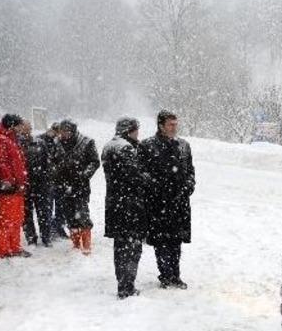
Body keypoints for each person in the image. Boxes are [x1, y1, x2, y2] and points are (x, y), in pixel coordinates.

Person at [139, 110, 195, 289]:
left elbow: (190, 171)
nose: (174, 128)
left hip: (179, 202)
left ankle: (175, 275)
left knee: (176, 240)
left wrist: (188, 186)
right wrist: (156, 188)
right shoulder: (147, 145)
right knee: (161, 240)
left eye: (175, 124)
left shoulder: (184, 145)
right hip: (158, 203)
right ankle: (165, 275)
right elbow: (142, 173)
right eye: (170, 124)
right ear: (161, 126)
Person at [102, 118, 148, 299]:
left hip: (115, 203)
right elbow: (135, 177)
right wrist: (149, 178)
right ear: (129, 130)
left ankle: (122, 283)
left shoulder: (109, 146)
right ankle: (127, 286)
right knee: (132, 247)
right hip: (130, 205)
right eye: (136, 130)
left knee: (120, 247)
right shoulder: (126, 148)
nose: (138, 133)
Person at [55, 119, 99, 255]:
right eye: (62, 131)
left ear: (73, 131)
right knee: (69, 216)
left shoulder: (87, 142)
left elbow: (94, 162)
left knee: (82, 214)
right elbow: (52, 161)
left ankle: (86, 245)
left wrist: (84, 175)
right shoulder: (57, 143)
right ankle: (75, 244)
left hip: (81, 186)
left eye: (67, 131)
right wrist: (55, 174)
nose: (64, 134)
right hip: (63, 185)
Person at [0, 114, 31, 259]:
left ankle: (14, 247)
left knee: (16, 219)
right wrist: (9, 181)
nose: (21, 129)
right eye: (19, 126)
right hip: (7, 188)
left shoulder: (10, 138)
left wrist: (20, 181)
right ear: (13, 125)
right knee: (6, 220)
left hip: (16, 186)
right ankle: (3, 250)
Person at [20, 122, 55, 246]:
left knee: (44, 212)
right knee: (26, 214)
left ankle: (46, 237)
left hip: (41, 184)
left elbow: (47, 163)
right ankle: (31, 238)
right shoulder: (16, 143)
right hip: (25, 184)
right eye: (24, 128)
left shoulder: (40, 143)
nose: (26, 131)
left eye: (28, 128)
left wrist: (47, 179)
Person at [42, 122, 68, 240]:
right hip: (50, 179)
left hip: (60, 179)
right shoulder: (45, 140)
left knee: (60, 206)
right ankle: (50, 230)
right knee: (49, 207)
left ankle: (58, 227)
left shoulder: (62, 142)